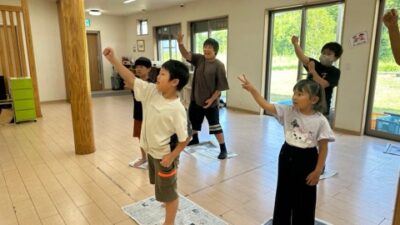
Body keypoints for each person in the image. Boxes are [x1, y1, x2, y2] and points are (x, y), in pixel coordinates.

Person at [103, 47, 190, 225]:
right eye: (159, 73)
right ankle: (167, 203)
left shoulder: (177, 109)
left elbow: (185, 139)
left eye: (163, 74)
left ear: (174, 82)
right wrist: (113, 60)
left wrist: (171, 157)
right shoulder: (152, 91)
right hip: (152, 153)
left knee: (170, 193)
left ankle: (169, 222)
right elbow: (131, 79)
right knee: (163, 189)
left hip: (164, 156)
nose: (158, 76)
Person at [238, 76, 335, 225]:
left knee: (305, 196)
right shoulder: (288, 111)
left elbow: (323, 148)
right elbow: (265, 104)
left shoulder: (321, 121)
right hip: (287, 154)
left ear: (314, 100)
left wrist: (317, 171)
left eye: (300, 94)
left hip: (307, 158)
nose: (294, 97)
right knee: (284, 192)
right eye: (294, 93)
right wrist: (253, 90)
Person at [177, 32, 229, 159]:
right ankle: (195, 139)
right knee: (194, 123)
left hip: (210, 103)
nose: (206, 49)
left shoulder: (219, 65)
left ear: (215, 50)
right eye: (205, 46)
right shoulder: (199, 59)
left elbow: (220, 86)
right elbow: (185, 54)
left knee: (215, 126)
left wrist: (211, 100)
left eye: (210, 47)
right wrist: (180, 43)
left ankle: (223, 149)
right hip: (196, 100)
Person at [291, 35, 343, 117]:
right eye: (323, 53)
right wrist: (295, 44)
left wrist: (313, 71)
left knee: (318, 128)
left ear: (336, 58)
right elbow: (302, 57)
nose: (325, 55)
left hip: (321, 108)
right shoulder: (315, 64)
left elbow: (323, 84)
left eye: (329, 54)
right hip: (306, 105)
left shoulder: (335, 72)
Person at [128, 57, 154, 168]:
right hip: (138, 114)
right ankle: (144, 157)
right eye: (136, 67)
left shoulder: (152, 84)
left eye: (141, 67)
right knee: (140, 136)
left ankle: (153, 159)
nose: (138, 69)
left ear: (149, 69)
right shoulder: (135, 82)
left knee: (151, 137)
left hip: (150, 115)